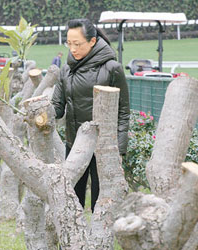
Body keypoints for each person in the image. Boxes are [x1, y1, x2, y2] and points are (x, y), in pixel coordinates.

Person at [51, 19, 130, 213]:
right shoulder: (66, 70)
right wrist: (39, 113)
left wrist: (118, 149)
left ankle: (99, 242)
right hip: (74, 143)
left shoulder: (112, 68)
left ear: (93, 41)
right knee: (71, 197)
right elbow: (57, 108)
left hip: (104, 147)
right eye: (69, 44)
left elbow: (123, 111)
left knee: (101, 201)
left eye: (77, 44)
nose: (72, 49)